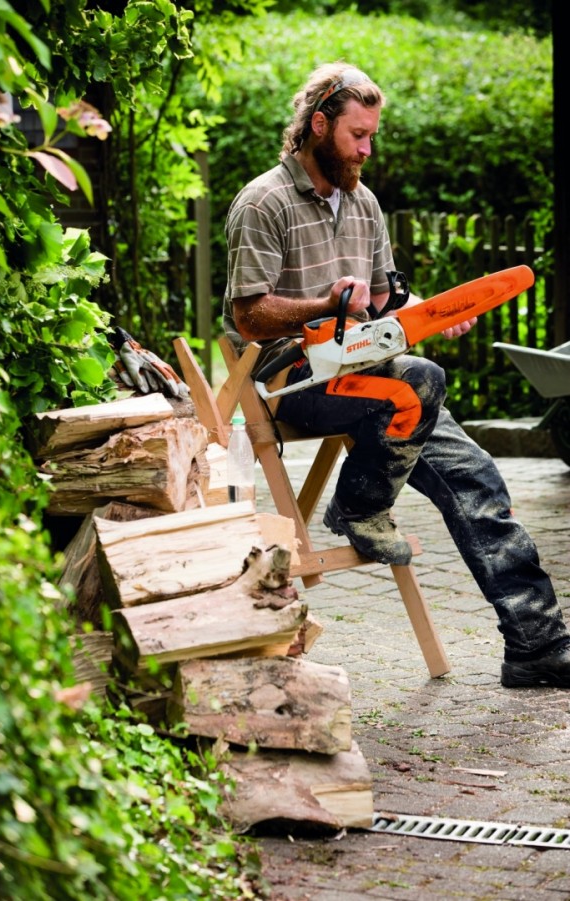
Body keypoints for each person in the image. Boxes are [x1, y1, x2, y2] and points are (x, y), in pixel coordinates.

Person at [222, 61, 570, 689]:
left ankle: (537, 645)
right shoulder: (263, 202)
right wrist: (326, 305)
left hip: (384, 383)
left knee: (478, 479)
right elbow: (249, 316)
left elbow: (385, 303)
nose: (366, 149)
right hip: (298, 382)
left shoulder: (364, 203)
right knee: (420, 379)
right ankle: (359, 508)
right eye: (357, 135)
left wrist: (432, 314)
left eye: (372, 136)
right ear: (318, 125)